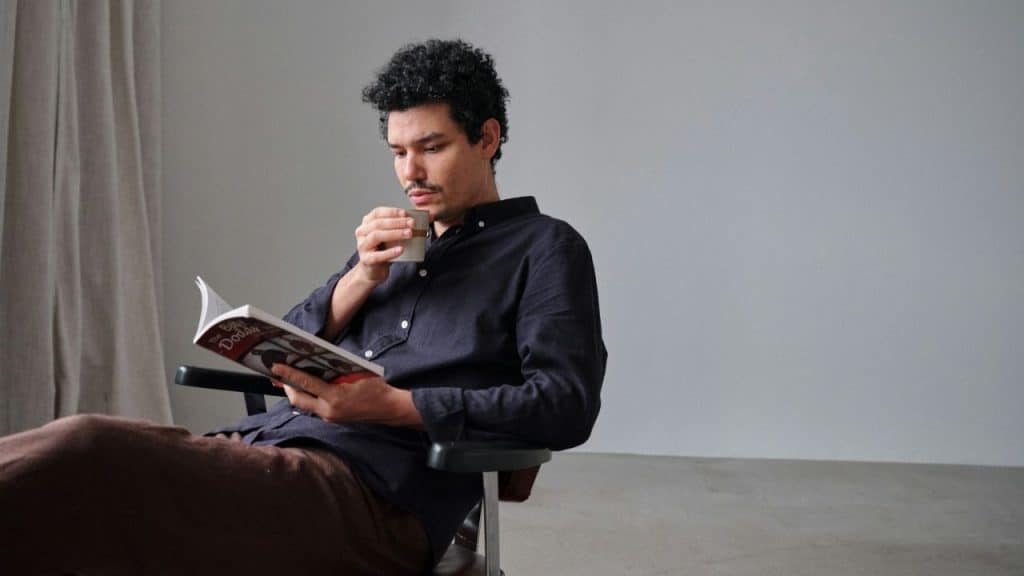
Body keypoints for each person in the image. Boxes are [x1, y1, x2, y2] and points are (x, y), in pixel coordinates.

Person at [0, 39, 606, 575]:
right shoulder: (394, 245)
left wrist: (393, 406)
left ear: (487, 138)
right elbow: (285, 344)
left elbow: (565, 404)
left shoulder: (546, 249)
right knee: (70, 513)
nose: (410, 172)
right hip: (270, 450)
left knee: (86, 452)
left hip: (372, 498)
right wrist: (361, 275)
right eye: (397, 152)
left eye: (431, 147)